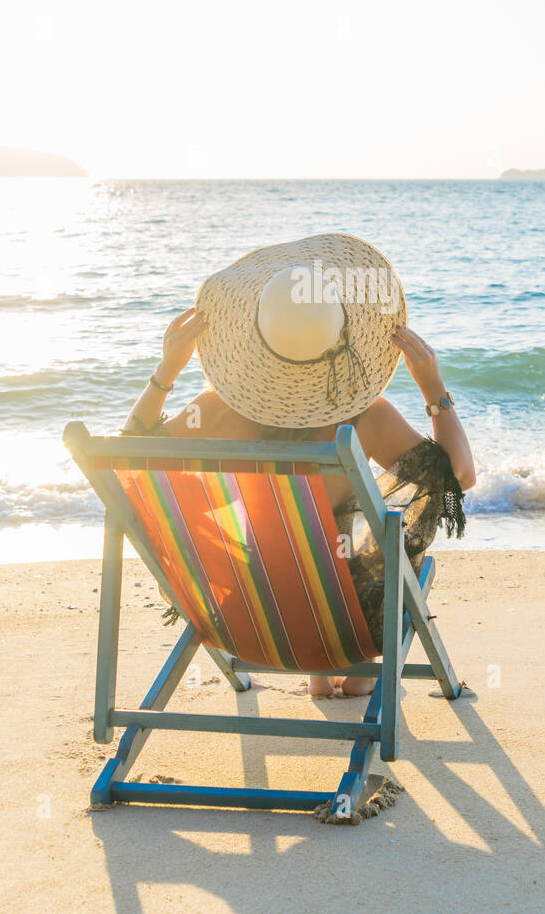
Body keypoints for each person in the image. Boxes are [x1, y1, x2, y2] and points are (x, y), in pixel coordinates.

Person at [123, 233, 476, 696]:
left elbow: (132, 451)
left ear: (258, 341)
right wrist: (434, 390)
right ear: (343, 330)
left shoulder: (217, 411)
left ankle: (318, 673)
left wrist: (166, 371)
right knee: (376, 537)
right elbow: (457, 478)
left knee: (279, 544)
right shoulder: (365, 417)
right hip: (350, 625)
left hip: (246, 616)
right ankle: (344, 671)